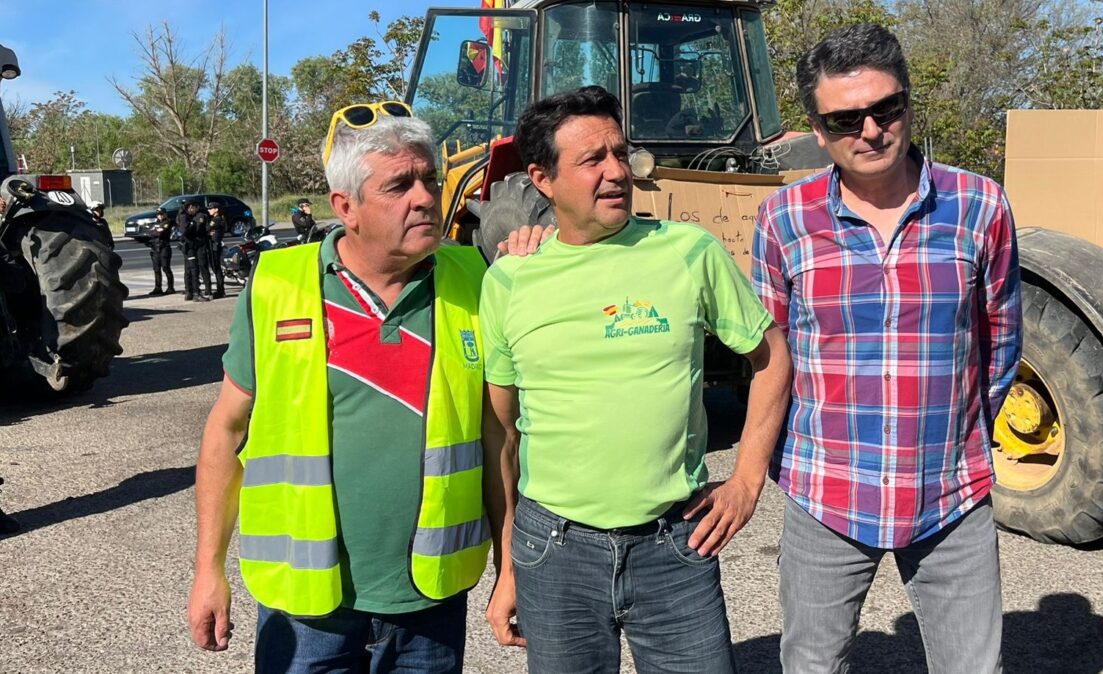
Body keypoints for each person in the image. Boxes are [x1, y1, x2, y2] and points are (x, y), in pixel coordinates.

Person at [480, 86, 792, 674]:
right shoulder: (508, 281)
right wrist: (509, 568)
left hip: (674, 543)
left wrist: (747, 482)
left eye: (621, 154)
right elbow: (502, 436)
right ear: (542, 179)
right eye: (592, 160)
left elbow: (772, 355)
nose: (617, 172)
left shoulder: (688, 252)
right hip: (555, 550)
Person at [752, 24, 1021, 673]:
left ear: (906, 105)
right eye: (844, 119)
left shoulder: (978, 206)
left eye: (885, 109)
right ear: (817, 129)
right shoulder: (783, 220)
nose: (869, 130)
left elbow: (1002, 340)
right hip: (826, 491)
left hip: (949, 493)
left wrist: (955, 438)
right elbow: (770, 354)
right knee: (812, 664)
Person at [187, 108, 493, 673]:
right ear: (345, 207)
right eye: (399, 185)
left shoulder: (476, 278)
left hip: (430, 602)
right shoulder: (277, 285)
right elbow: (227, 431)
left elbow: (499, 438)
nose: (424, 197)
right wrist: (209, 569)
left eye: (430, 180)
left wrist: (513, 570)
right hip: (309, 612)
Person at [181, 201, 212, 302]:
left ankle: (190, 292)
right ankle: (196, 293)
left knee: (190, 270)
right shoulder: (185, 218)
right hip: (191, 247)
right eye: (188, 207)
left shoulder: (188, 217)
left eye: (191, 207)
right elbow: (187, 231)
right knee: (194, 270)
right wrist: (192, 226)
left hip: (191, 246)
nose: (190, 209)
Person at [147, 207, 176, 296]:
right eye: (158, 214)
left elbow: (160, 233)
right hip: (155, 248)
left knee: (166, 268)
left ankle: (170, 287)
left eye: (162, 214)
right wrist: (155, 230)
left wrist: (155, 230)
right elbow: (149, 232)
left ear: (165, 214)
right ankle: (158, 287)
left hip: (164, 247)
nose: (160, 216)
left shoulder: (168, 222)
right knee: (156, 269)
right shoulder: (156, 223)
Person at [205, 203, 226, 299]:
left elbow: (207, 229)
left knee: (216, 268)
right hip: (214, 245)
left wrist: (210, 232)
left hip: (215, 246)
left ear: (216, 209)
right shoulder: (217, 219)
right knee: (216, 268)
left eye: (211, 209)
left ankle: (220, 290)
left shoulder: (216, 220)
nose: (209, 210)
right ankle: (220, 289)